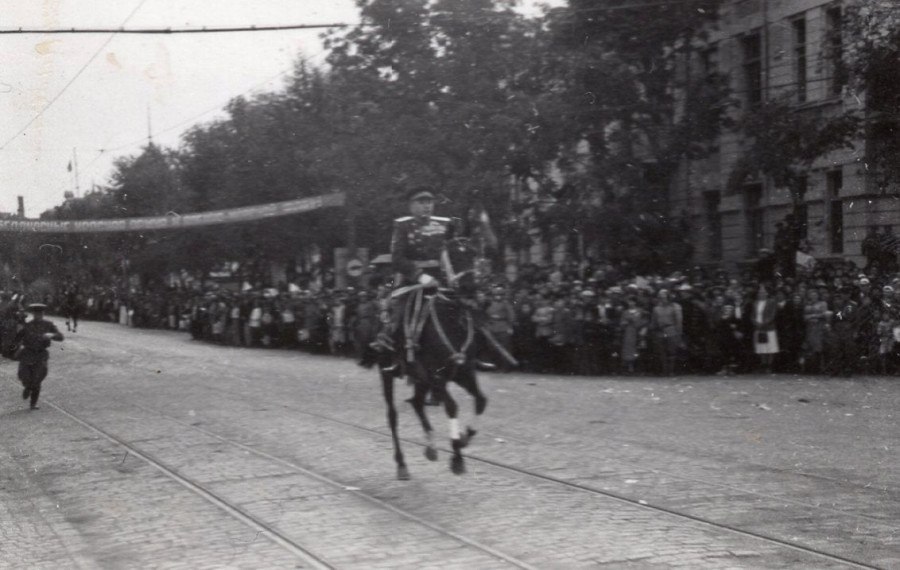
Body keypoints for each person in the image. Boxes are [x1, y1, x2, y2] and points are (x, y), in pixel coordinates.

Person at [14, 303, 64, 411]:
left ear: (43, 314)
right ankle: (27, 387)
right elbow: (17, 338)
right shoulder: (27, 325)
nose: (38, 315)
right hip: (27, 353)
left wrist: (52, 335)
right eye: (36, 313)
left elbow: (61, 337)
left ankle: (33, 404)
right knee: (24, 376)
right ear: (33, 314)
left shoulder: (49, 325)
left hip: (41, 354)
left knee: (38, 378)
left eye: (40, 313)